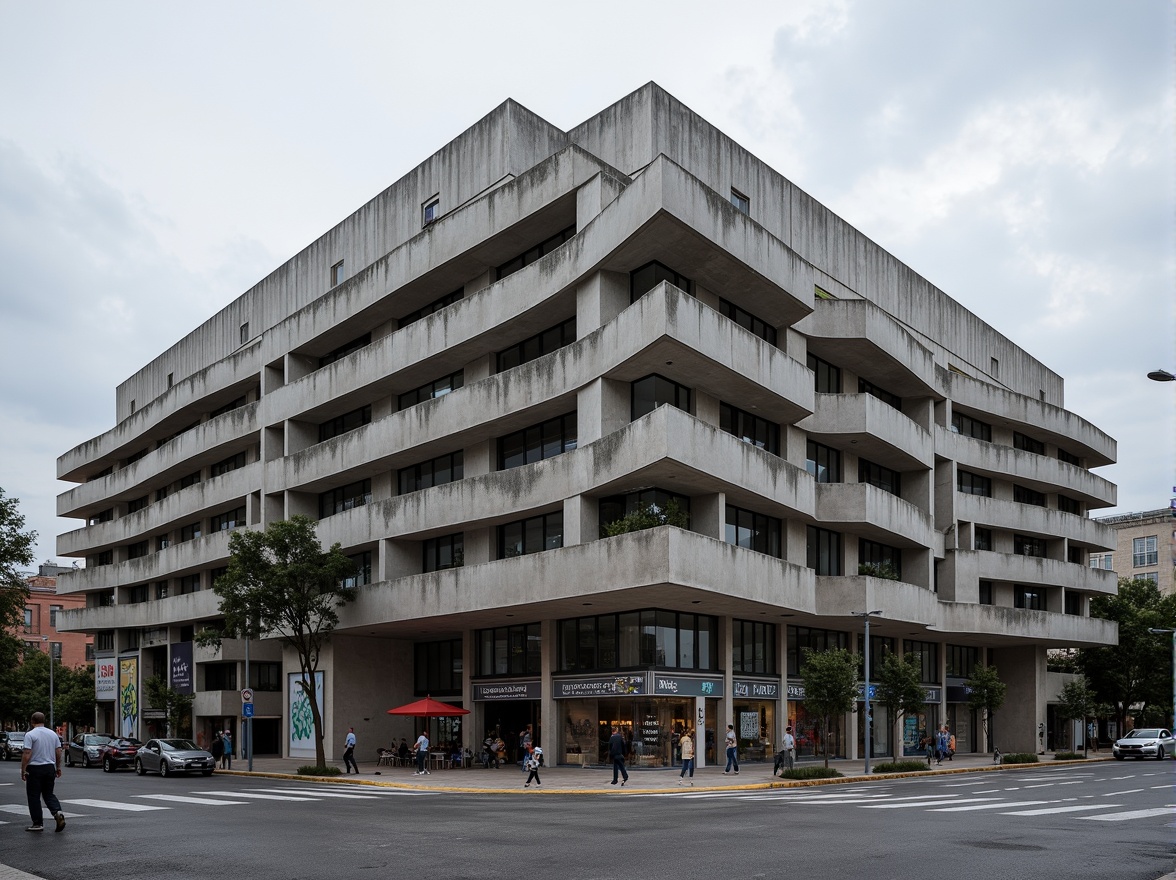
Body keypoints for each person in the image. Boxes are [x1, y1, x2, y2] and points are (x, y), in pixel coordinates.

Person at [20, 711, 66, 833]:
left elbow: (27, 753)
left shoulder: (30, 735)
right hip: (49, 767)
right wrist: (58, 767)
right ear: (43, 721)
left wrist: (23, 769)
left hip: (34, 768)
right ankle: (57, 812)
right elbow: (58, 751)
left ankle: (37, 823)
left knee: (34, 796)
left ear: (32, 721)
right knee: (48, 794)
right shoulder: (53, 734)